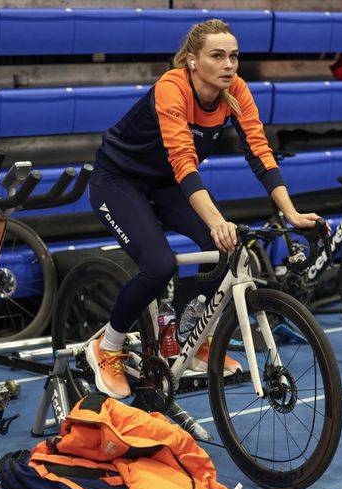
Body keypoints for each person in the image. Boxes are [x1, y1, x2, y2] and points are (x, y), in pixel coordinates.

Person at [86, 19, 324, 399]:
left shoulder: (236, 92)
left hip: (166, 184)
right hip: (118, 181)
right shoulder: (172, 87)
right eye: (217, 56)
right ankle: (108, 346)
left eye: (233, 56)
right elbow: (183, 162)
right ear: (193, 60)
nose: (228, 64)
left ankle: (188, 337)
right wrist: (216, 221)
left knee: (226, 251)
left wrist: (291, 213)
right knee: (159, 264)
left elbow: (261, 154)